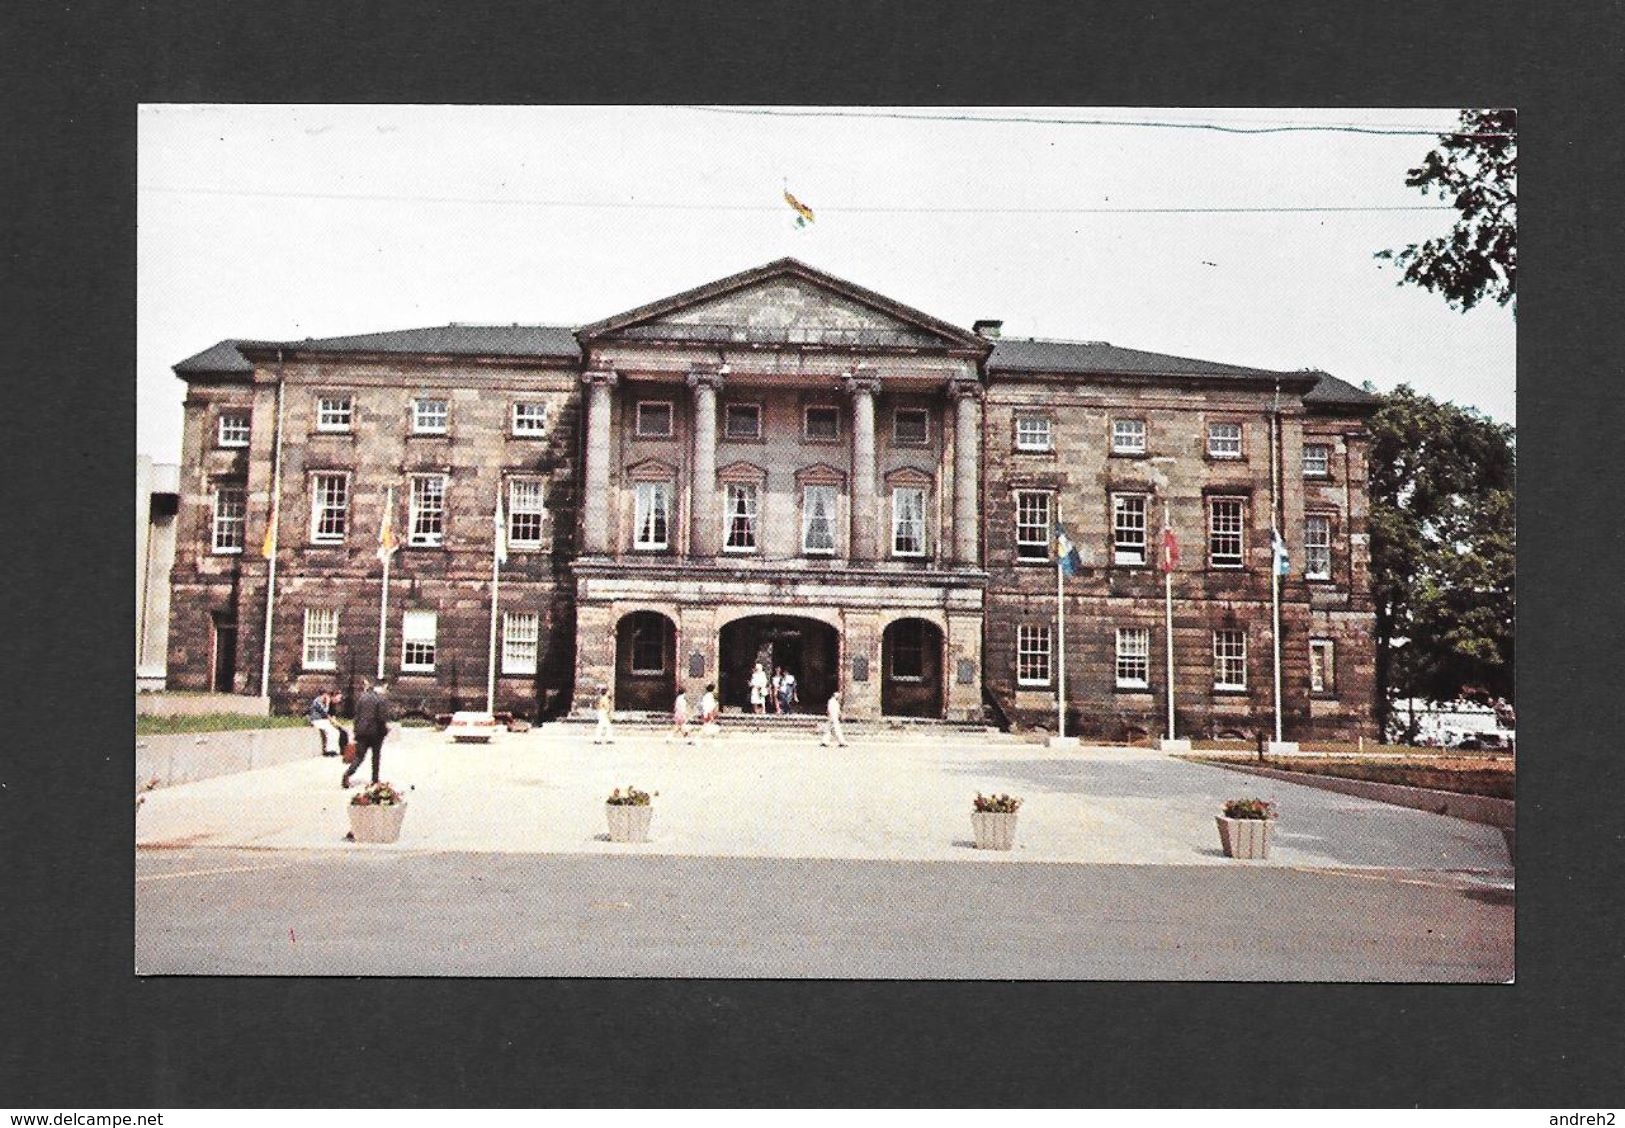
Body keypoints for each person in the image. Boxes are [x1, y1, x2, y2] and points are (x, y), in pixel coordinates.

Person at [342, 679, 392, 788]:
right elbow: (381, 717)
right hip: (376, 732)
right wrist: (385, 730)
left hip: (361, 731)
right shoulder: (381, 699)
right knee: (376, 756)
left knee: (359, 756)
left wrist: (355, 731)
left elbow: (357, 716)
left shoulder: (362, 698)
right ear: (382, 687)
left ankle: (347, 774)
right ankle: (375, 780)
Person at [308, 690, 342, 756]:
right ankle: (329, 750)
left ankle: (333, 749)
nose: (339, 700)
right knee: (331, 731)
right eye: (338, 698)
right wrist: (327, 703)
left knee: (335, 732)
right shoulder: (317, 701)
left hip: (322, 720)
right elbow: (325, 712)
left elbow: (331, 716)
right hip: (316, 720)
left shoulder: (327, 703)